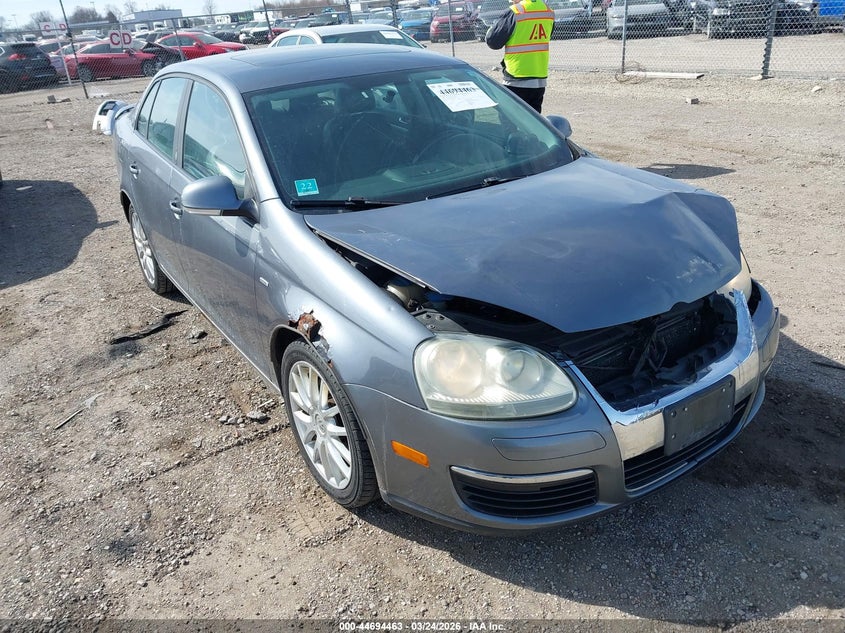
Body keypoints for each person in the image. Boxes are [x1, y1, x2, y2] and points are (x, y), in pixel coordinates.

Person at [485, 0, 555, 113]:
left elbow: (493, 41)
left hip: (516, 77)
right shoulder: (548, 11)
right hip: (539, 79)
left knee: (509, 121)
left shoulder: (515, 11)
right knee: (533, 122)